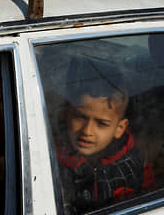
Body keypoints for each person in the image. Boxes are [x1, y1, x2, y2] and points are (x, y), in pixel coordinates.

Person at [54, 60, 154, 214]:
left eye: (102, 123)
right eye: (80, 117)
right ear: (67, 114)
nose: (87, 131)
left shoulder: (134, 163)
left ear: (119, 128)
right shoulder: (49, 159)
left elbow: (149, 200)